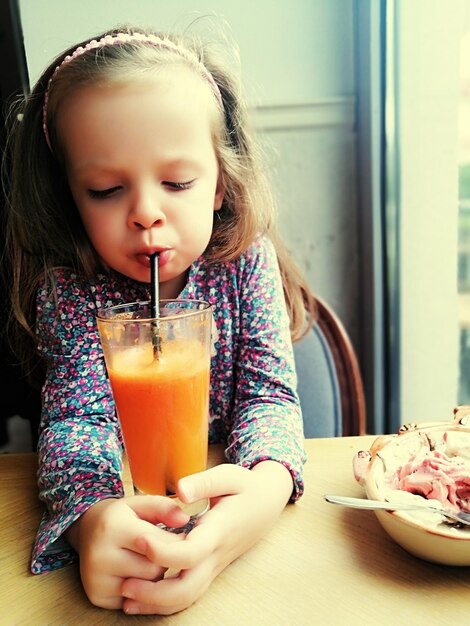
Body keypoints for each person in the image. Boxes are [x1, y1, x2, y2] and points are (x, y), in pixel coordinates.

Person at [2, 25, 315, 615]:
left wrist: (264, 491)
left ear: (221, 182)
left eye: (177, 182)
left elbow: (269, 398)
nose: (146, 212)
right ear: (68, 196)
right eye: (105, 189)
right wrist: (91, 520)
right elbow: (78, 423)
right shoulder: (71, 291)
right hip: (135, 506)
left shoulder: (245, 263)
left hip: (238, 518)